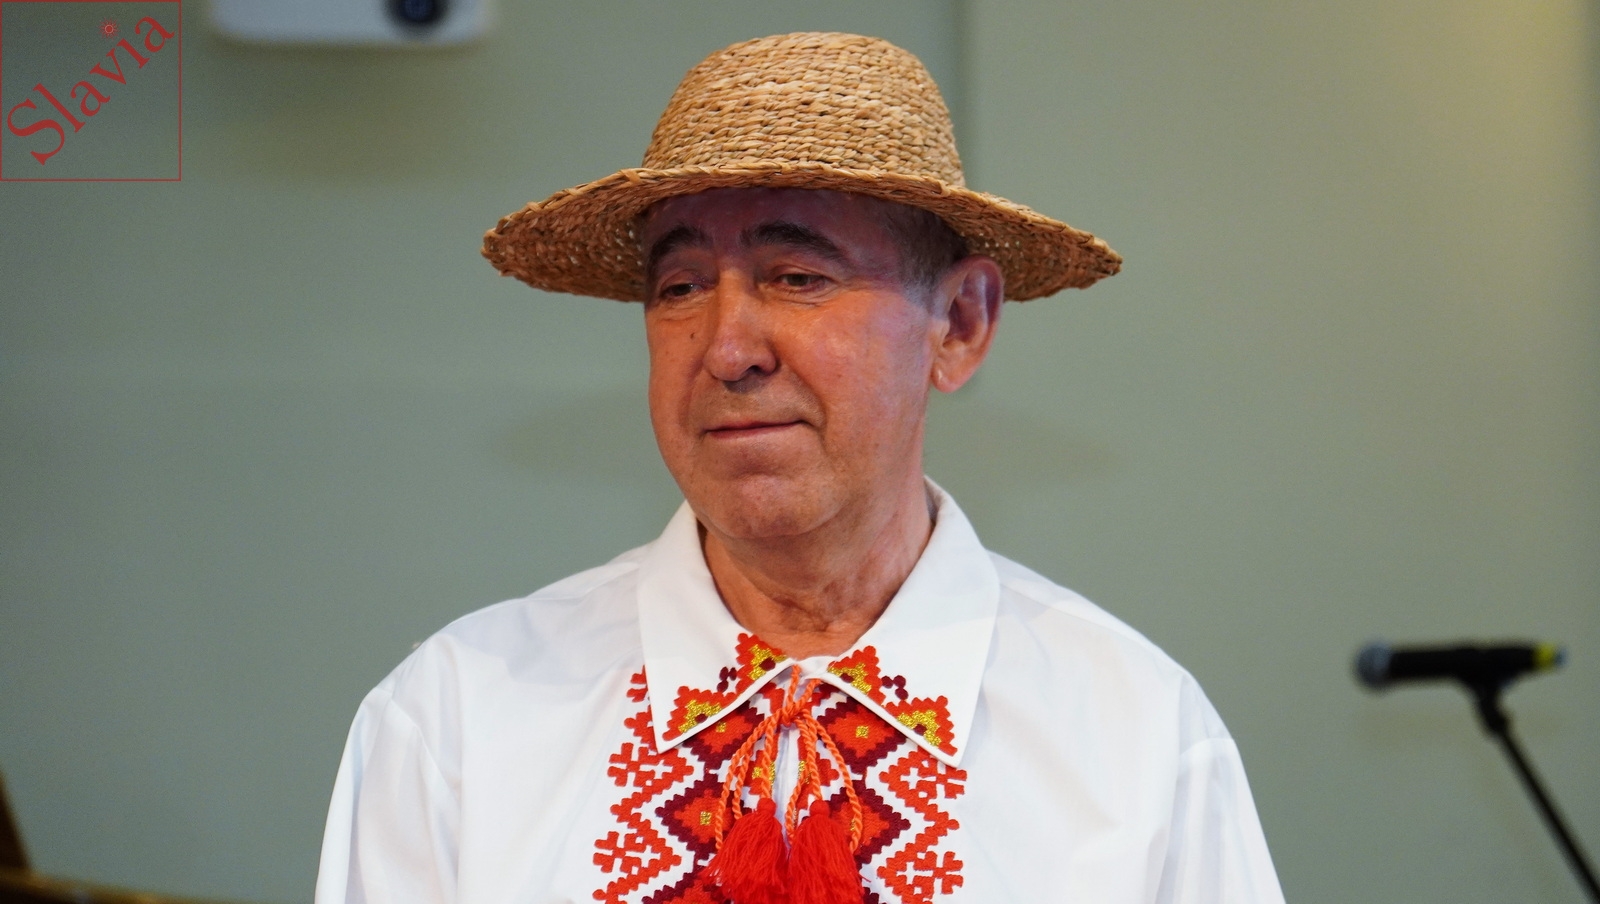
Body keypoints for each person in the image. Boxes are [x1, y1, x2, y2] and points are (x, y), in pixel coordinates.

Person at [315, 32, 1285, 904]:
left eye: (798, 278)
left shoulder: (1134, 736)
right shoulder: (459, 720)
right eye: (680, 287)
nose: (728, 348)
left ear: (959, 323)